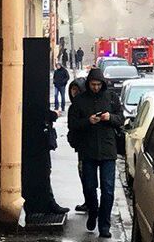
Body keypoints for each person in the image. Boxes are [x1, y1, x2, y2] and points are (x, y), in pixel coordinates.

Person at [68, 68, 123, 239]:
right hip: (88, 150)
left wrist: (110, 118)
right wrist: (88, 121)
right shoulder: (80, 101)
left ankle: (104, 225)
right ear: (88, 84)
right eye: (93, 84)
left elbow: (121, 118)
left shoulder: (112, 98)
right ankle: (93, 211)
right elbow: (73, 124)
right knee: (90, 187)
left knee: (108, 190)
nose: (96, 88)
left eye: (99, 85)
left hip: (108, 150)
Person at [67, 77, 89, 213]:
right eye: (72, 90)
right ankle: (88, 200)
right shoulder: (73, 107)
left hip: (87, 147)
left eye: (77, 89)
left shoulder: (85, 106)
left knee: (87, 175)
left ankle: (91, 201)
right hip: (81, 147)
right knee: (83, 174)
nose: (74, 92)